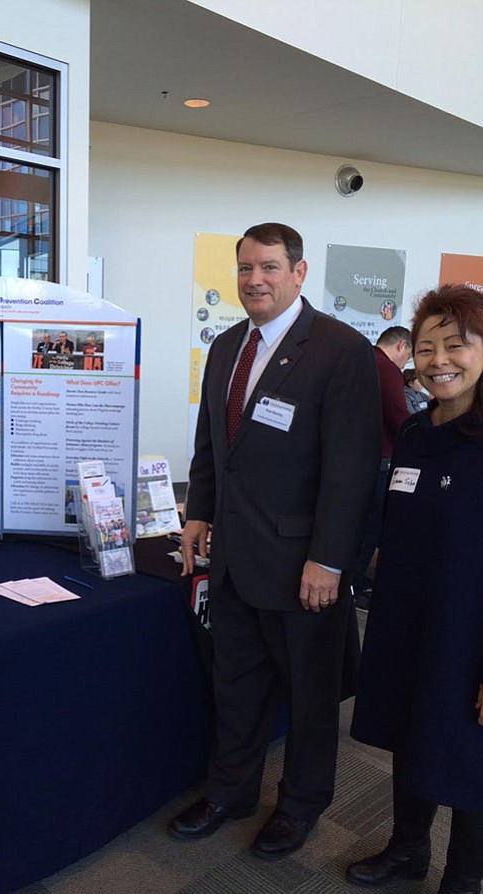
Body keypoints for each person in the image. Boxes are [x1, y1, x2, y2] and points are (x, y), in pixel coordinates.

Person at [168, 223, 381, 859]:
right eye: (244, 269)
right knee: (236, 686)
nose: (254, 280)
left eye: (267, 268)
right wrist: (199, 512)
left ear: (299, 273)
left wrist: (330, 559)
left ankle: (300, 806)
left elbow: (352, 469)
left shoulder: (342, 350)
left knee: (311, 701)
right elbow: (213, 445)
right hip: (234, 560)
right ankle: (230, 790)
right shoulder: (227, 345)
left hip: (303, 569)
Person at [346, 284, 483, 894]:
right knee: (410, 730)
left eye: (456, 345)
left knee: (467, 753)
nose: (439, 361)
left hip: (469, 631)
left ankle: (466, 874)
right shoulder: (414, 432)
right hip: (406, 619)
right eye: (426, 348)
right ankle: (408, 849)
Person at [352, 326, 412, 608]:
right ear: (401, 345)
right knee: (370, 528)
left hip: (357, 459)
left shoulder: (359, 360)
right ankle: (355, 585)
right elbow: (400, 418)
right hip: (379, 462)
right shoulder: (386, 369)